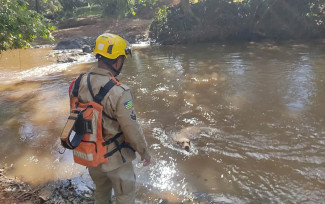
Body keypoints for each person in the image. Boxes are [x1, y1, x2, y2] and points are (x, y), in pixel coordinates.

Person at [69, 33, 151, 204]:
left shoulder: (77, 83)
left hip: (91, 157)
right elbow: (131, 128)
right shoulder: (120, 92)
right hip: (116, 161)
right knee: (125, 197)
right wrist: (144, 152)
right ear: (117, 60)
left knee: (101, 193)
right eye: (123, 58)